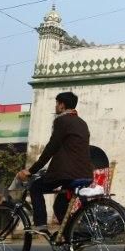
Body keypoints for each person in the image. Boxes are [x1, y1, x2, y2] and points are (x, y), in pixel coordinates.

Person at [17, 91, 93, 235]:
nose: (56, 106)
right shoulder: (82, 122)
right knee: (59, 206)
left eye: (57, 103)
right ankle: (71, 237)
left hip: (67, 173)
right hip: (85, 173)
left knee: (36, 187)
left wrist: (31, 170)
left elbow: (51, 148)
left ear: (62, 105)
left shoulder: (61, 121)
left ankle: (41, 225)